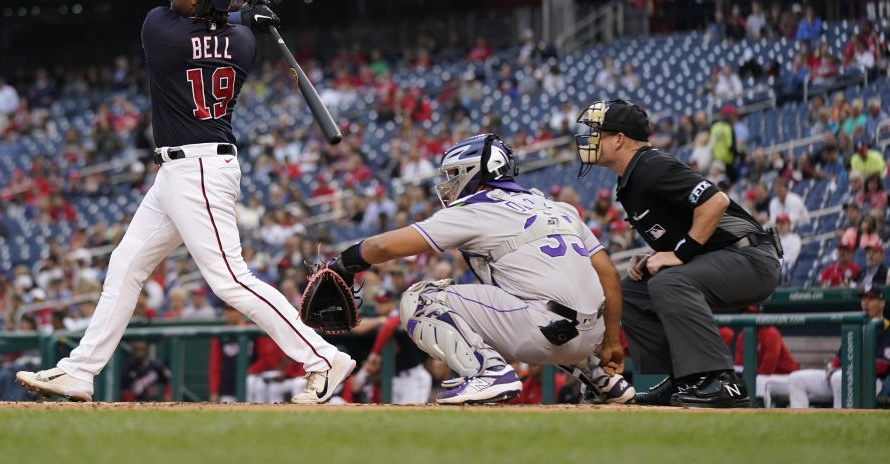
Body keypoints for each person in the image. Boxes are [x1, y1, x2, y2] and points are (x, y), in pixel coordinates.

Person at [17, 0, 354, 404]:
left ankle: (323, 357)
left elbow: (199, 25)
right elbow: (226, 28)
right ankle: (79, 371)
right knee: (125, 265)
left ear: (201, 0)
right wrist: (247, 15)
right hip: (186, 170)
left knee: (230, 280)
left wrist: (240, 11)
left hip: (197, 170)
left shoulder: (160, 31)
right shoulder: (246, 42)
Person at [323, 133, 635, 405]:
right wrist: (609, 342)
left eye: (455, 174)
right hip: (589, 335)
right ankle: (598, 375)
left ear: (475, 172)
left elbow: (383, 248)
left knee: (419, 299)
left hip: (540, 333)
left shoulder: (475, 208)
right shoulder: (558, 207)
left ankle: (489, 373)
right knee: (550, 297)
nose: (449, 184)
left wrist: (345, 261)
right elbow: (608, 275)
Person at [575, 99, 780, 407]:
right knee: (634, 290)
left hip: (751, 258)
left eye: (597, 133)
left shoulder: (650, 165)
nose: (588, 140)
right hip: (720, 258)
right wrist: (656, 255)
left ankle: (720, 380)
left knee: (668, 282)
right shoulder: (631, 177)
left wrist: (680, 253)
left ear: (619, 138)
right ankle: (681, 381)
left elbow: (716, 201)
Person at [787, 285, 890, 408]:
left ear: (882, 303)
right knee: (796, 379)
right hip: (842, 377)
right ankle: (801, 425)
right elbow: (839, 357)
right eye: (863, 299)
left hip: (871, 382)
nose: (865, 303)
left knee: (839, 378)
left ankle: (841, 421)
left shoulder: (886, 328)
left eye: (871, 299)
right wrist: (831, 368)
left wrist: (848, 370)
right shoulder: (857, 325)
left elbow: (882, 366)